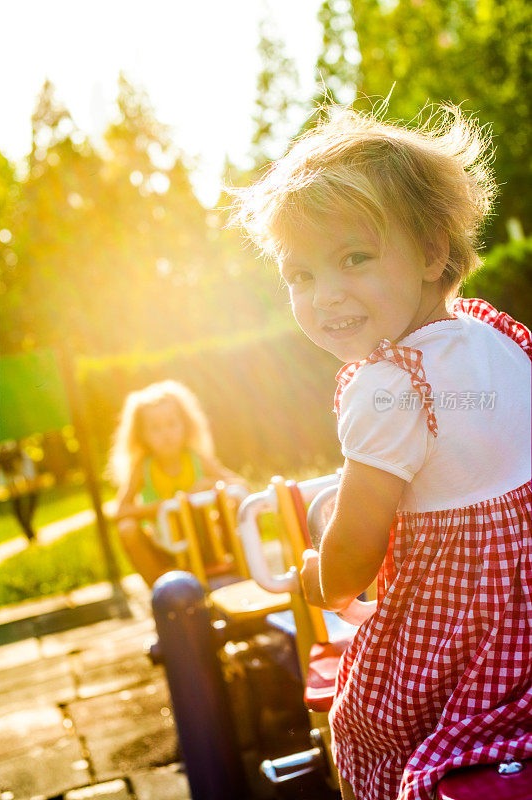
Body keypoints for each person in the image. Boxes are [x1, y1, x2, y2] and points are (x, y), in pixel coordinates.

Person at [232, 106, 531, 800]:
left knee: (363, 719)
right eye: (299, 275)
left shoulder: (389, 384)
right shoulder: (494, 335)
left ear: (431, 251)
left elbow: (356, 556)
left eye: (353, 259)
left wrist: (315, 577)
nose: (324, 296)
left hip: (467, 640)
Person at [107, 380, 245, 587]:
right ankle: (161, 591)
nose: (166, 434)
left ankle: (243, 568)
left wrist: (210, 484)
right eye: (155, 428)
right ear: (142, 435)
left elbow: (240, 486)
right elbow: (119, 511)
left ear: (185, 425)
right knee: (127, 529)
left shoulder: (196, 458)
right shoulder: (143, 467)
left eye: (172, 424)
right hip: (165, 547)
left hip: (204, 541)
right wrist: (160, 507)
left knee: (241, 507)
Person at [0, 441, 39, 543]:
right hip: (3, 460)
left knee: (32, 489)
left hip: (19, 455)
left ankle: (27, 525)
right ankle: (28, 530)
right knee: (14, 495)